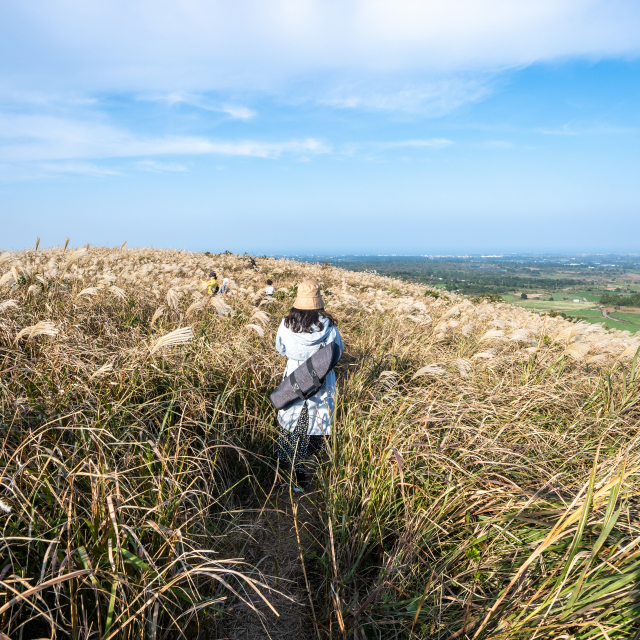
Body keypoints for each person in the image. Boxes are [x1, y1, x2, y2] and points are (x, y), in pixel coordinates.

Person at [275, 280, 343, 491]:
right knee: (317, 423)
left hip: (295, 378)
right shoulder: (329, 326)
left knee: (295, 424)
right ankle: (317, 466)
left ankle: (298, 477)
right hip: (321, 379)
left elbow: (281, 348)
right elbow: (337, 352)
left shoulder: (286, 324)